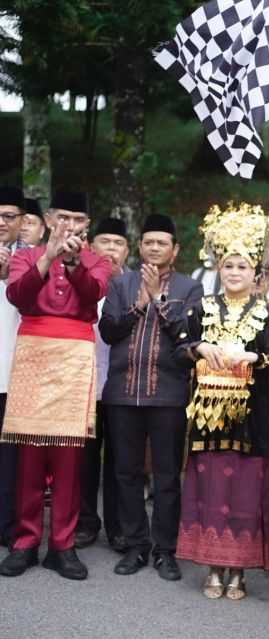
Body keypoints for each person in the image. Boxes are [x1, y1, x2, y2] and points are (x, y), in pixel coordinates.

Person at [174, 202, 269, 600]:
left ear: (257, 272)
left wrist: (256, 357)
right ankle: (213, 566)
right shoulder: (200, 309)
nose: (235, 272)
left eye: (242, 266)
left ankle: (238, 572)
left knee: (245, 491)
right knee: (211, 488)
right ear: (218, 269)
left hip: (252, 419)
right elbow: (178, 348)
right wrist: (200, 346)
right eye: (228, 265)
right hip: (207, 420)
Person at [0, 188, 111, 580]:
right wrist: (48, 256)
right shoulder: (26, 256)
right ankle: (26, 541)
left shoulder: (96, 259)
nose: (70, 226)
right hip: (33, 351)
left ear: (87, 225)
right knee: (29, 452)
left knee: (69, 456)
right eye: (63, 218)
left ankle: (61, 545)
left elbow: (94, 294)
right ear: (48, 220)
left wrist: (73, 260)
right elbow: (18, 295)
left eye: (78, 220)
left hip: (75, 357)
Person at [99, 213, 202, 580]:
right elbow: (109, 331)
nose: (154, 248)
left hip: (168, 396)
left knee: (167, 476)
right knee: (125, 473)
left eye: (162, 243)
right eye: (148, 242)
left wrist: (158, 297)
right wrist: (138, 305)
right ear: (139, 248)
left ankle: (164, 550)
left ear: (174, 251)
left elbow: (186, 337)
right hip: (122, 395)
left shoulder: (190, 288)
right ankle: (136, 545)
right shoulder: (121, 285)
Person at [75, 218, 130, 552]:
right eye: (105, 241)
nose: (111, 248)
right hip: (84, 382)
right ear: (91, 247)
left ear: (127, 249)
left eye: (118, 243)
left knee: (120, 460)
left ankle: (118, 526)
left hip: (122, 384)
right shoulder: (79, 279)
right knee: (85, 459)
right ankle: (84, 522)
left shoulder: (136, 284)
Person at [0, 186, 28, 548]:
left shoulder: (34, 259)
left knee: (11, 460)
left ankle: (8, 526)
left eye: (8, 216)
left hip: (16, 372)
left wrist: (8, 275)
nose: (1, 222)